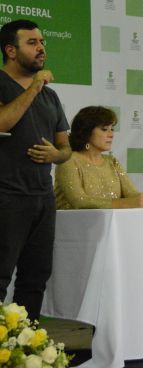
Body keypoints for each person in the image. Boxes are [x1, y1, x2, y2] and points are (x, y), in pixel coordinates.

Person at [0, 19, 71, 320]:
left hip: (42, 197)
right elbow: (3, 122)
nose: (41, 47)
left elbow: (66, 149)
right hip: (6, 195)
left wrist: (56, 155)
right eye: (32, 42)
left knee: (35, 277)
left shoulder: (51, 97)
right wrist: (35, 85)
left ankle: (25, 345)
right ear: (10, 51)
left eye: (42, 41)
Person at [54, 106, 143, 209]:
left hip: (109, 224)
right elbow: (80, 201)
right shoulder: (68, 161)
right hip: (73, 224)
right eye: (104, 129)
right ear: (86, 132)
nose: (111, 134)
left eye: (112, 129)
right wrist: (126, 203)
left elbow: (132, 195)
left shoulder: (112, 162)